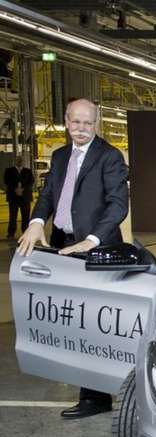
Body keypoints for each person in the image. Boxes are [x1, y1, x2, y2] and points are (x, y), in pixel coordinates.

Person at [17, 98, 130, 418]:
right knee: (72, 322)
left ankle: (96, 398)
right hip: (62, 246)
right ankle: (88, 392)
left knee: (93, 323)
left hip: (96, 250)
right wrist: (37, 222)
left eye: (88, 123)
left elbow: (118, 204)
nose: (81, 129)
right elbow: (49, 195)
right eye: (76, 122)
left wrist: (91, 241)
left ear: (97, 124)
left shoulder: (109, 157)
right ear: (66, 121)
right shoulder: (60, 155)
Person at [4, 156, 35, 239]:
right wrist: (15, 189)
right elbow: (6, 181)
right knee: (12, 216)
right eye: (18, 160)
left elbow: (31, 181)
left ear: (23, 162)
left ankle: (25, 232)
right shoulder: (9, 170)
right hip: (13, 197)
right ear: (15, 161)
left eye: (21, 160)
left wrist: (22, 189)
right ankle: (11, 233)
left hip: (25, 197)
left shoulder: (28, 171)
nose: (20, 161)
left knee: (26, 216)